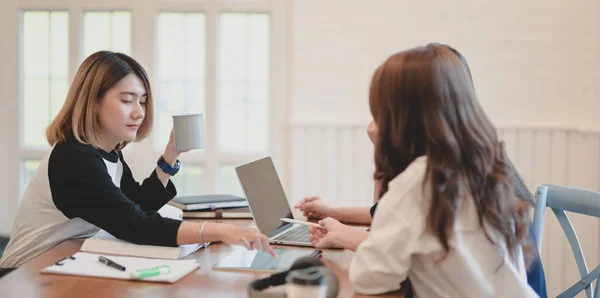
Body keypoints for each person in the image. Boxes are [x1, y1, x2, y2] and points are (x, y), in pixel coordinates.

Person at [0, 51, 275, 271]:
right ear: (93, 102)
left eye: (142, 101)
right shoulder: (73, 159)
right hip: (24, 275)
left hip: (62, 263)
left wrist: (171, 154)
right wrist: (219, 230)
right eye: (127, 100)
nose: (139, 112)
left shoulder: (109, 153)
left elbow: (138, 203)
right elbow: (134, 223)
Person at [311, 43, 538, 297]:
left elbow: (370, 277)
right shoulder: (483, 164)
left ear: (401, 116)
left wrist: (382, 156)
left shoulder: (421, 181)